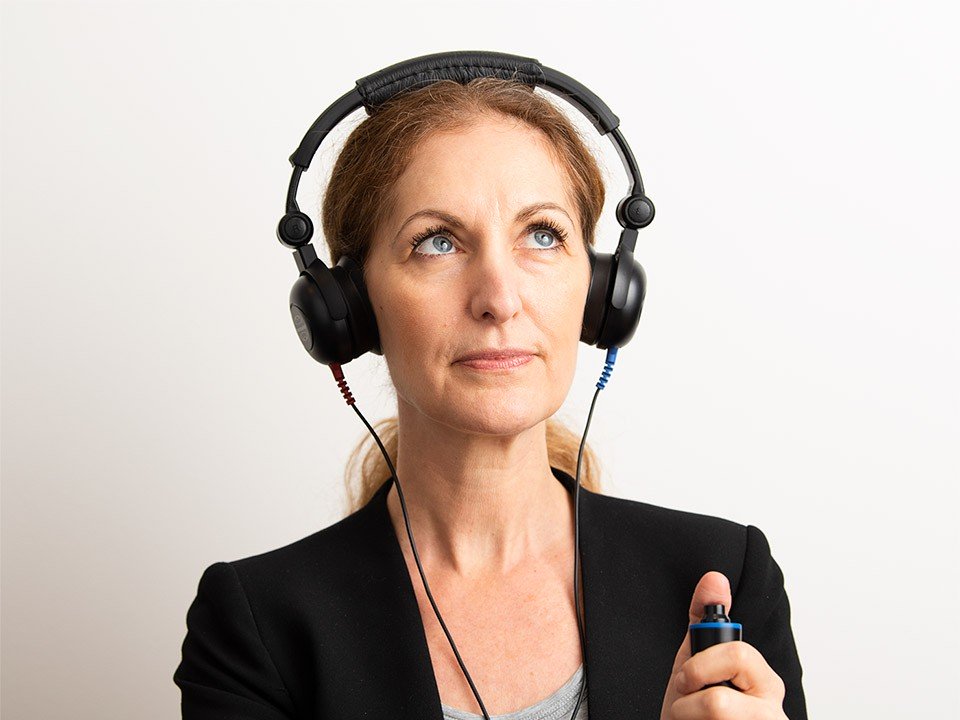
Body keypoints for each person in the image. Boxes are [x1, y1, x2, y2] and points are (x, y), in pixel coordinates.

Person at [173, 76, 808, 720]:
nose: (498, 299)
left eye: (541, 234)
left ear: (598, 294)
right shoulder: (256, 628)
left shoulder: (725, 579)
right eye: (437, 242)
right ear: (351, 307)